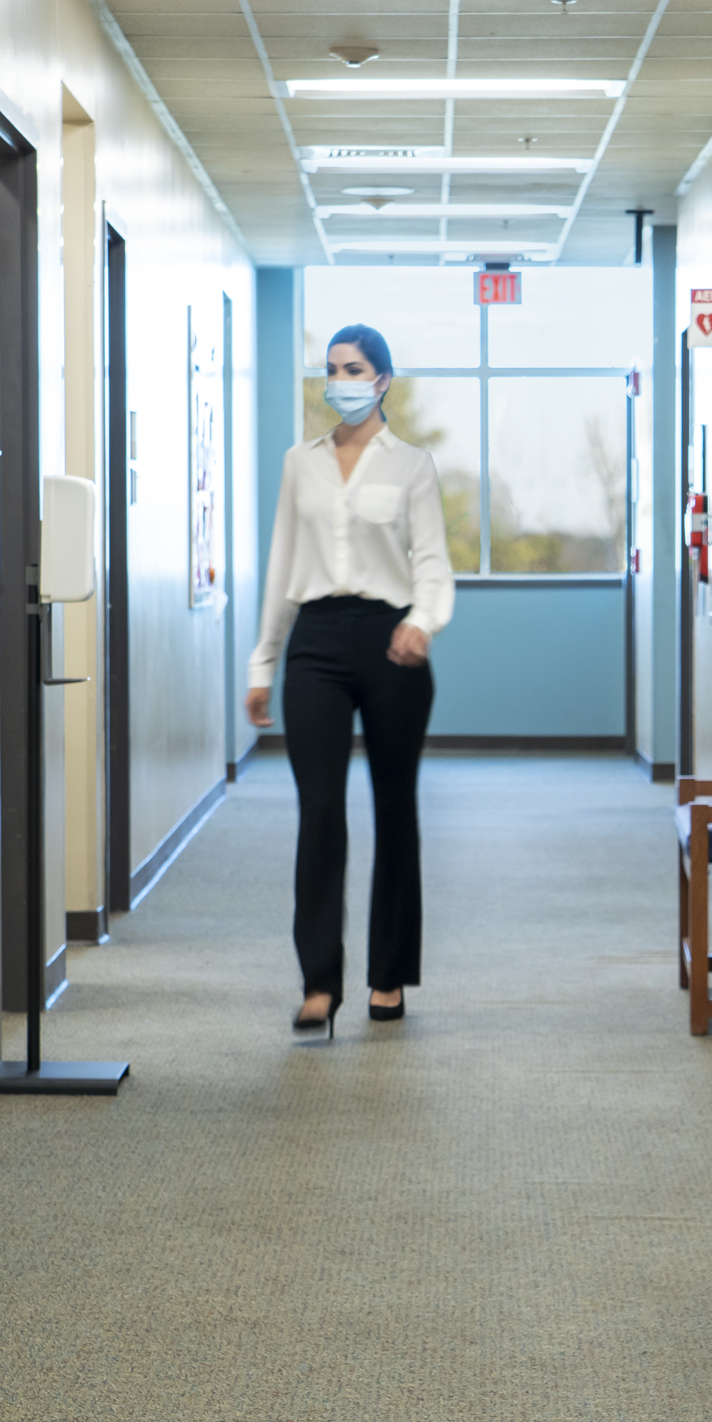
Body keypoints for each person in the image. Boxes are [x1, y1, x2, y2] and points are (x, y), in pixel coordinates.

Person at [247, 324, 453, 1038]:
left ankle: (388, 974)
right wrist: (263, 661)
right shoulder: (298, 464)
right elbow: (282, 564)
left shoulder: (411, 466)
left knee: (394, 809)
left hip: (393, 640)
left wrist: (423, 620)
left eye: (356, 369)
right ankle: (318, 983)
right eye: (333, 369)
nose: (342, 380)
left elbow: (431, 559)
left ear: (383, 380)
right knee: (320, 813)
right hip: (316, 645)